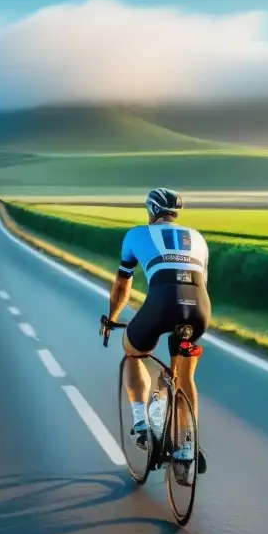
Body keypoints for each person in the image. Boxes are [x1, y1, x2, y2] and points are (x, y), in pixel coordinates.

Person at [105, 187, 210, 469]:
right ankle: (187, 445)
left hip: (162, 304)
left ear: (151, 211)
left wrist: (112, 317)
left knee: (133, 351)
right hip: (199, 310)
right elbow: (200, 283)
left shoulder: (136, 234)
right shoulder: (198, 238)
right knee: (185, 377)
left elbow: (122, 285)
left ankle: (141, 423)